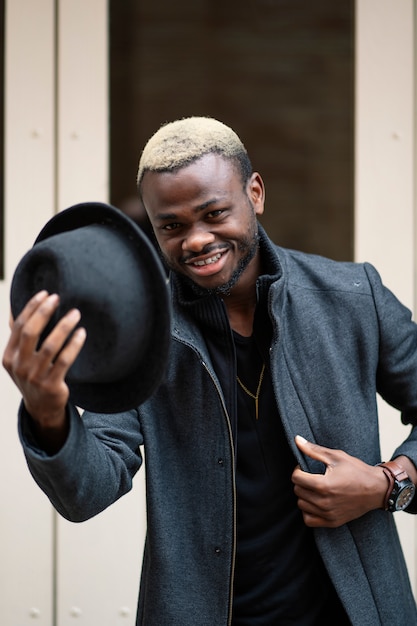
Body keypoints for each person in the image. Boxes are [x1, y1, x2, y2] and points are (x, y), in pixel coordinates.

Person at [3, 116, 417, 626]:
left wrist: (388, 483)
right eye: (171, 226)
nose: (196, 240)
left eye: (215, 213)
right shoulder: (141, 336)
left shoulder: (354, 297)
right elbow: (87, 491)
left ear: (256, 193)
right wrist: (49, 412)